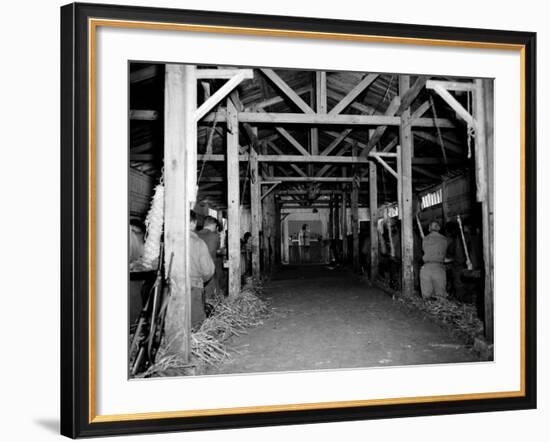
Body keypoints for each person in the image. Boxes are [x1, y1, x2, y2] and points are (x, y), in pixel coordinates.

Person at [189, 211, 215, 327]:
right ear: (193, 223)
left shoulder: (167, 241)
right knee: (196, 324)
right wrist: (201, 280)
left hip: (170, 289)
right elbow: (207, 271)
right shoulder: (198, 242)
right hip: (193, 286)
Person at [420, 221, 449, 300]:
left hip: (426, 268)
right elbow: (444, 254)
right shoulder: (444, 239)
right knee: (440, 296)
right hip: (439, 268)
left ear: (429, 229)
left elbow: (424, 250)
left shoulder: (425, 239)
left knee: (426, 296)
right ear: (439, 228)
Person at [197, 216, 220, 306]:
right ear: (213, 225)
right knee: (212, 292)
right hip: (209, 267)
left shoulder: (196, 235)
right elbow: (217, 250)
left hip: (197, 268)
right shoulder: (215, 236)